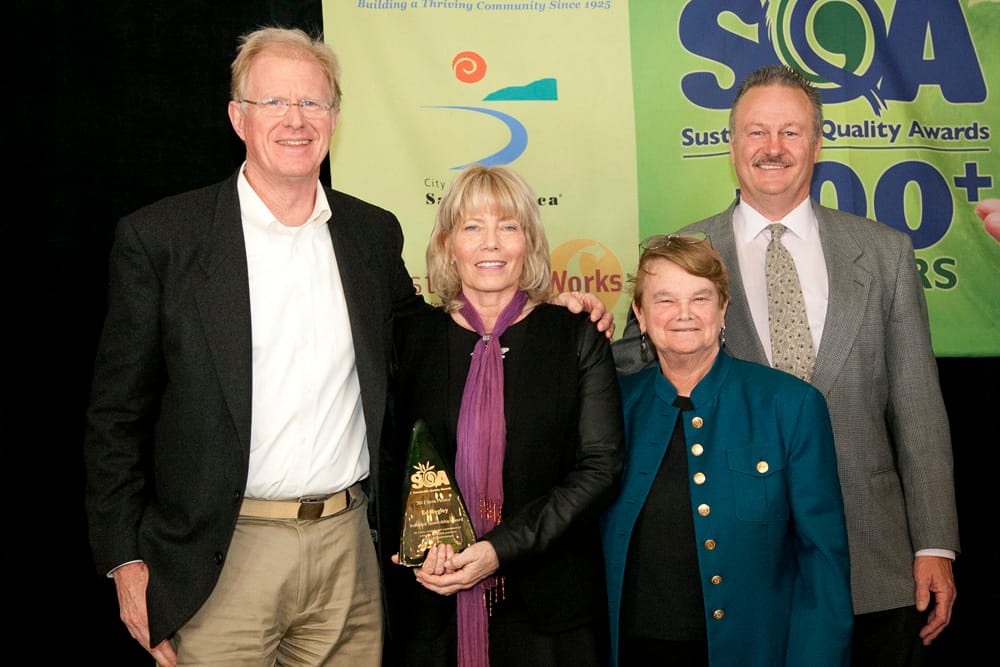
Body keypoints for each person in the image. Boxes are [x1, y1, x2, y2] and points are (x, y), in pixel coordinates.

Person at [83, 27, 612, 667]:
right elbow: (117, 417)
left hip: (349, 555)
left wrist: (549, 311)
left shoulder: (369, 234)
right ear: (238, 117)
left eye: (313, 102)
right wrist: (124, 560)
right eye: (274, 102)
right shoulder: (163, 239)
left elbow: (435, 334)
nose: (296, 120)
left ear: (335, 117)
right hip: (221, 557)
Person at [615, 64, 959, 666]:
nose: (772, 148)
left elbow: (918, 409)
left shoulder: (885, 253)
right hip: (738, 569)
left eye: (790, 132)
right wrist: (579, 327)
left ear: (817, 144)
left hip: (872, 557)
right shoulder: (683, 255)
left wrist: (935, 543)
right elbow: (634, 376)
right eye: (756, 132)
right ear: (731, 144)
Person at [383, 164, 625, 666]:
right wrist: (416, 548)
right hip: (433, 605)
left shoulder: (575, 335)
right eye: (473, 227)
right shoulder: (408, 339)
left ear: (529, 243)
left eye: (508, 226)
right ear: (448, 244)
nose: (490, 243)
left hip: (551, 611)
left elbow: (601, 467)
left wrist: (498, 550)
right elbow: (387, 461)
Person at [601, 233, 853, 666]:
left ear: (723, 309)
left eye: (700, 298)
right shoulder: (612, 407)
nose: (683, 314)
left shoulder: (790, 405)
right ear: (640, 314)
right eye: (665, 300)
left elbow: (822, 565)